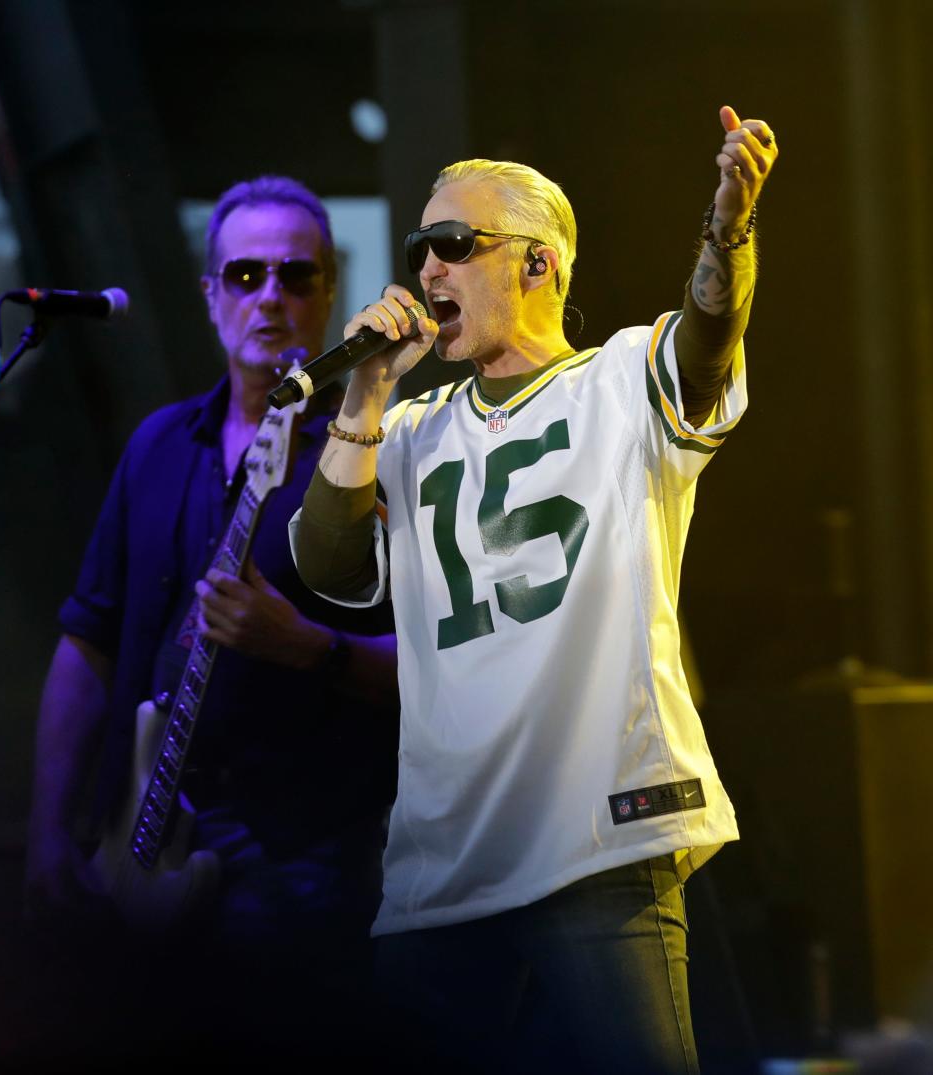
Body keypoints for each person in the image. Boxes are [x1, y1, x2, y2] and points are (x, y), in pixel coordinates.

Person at [292, 106, 778, 1073]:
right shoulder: (415, 427)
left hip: (595, 841)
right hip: (443, 865)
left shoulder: (621, 382)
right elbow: (327, 568)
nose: (426, 269)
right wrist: (364, 397)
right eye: (422, 247)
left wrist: (728, 225)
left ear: (537, 265)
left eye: (453, 244)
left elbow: (710, 332)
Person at [24, 175, 399, 1063]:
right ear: (209, 293)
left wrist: (308, 646)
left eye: (295, 277)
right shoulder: (158, 444)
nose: (269, 296)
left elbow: (443, 668)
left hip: (308, 861)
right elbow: (90, 643)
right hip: (139, 843)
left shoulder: (375, 455)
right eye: (243, 276)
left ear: (329, 290)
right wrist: (49, 827)